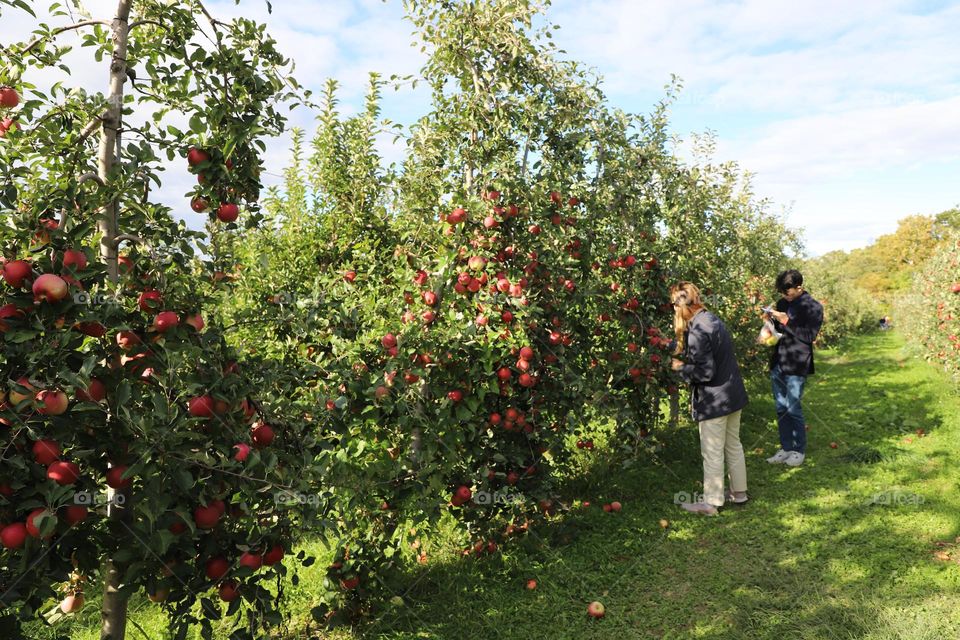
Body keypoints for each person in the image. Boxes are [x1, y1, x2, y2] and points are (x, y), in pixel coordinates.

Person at [669, 282, 749, 516]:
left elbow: (704, 372)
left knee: (712, 450)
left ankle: (711, 504)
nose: (673, 309)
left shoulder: (697, 330)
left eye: (674, 304)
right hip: (733, 394)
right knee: (733, 445)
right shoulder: (712, 319)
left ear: (682, 304)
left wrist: (680, 367)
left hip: (715, 399)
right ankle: (739, 493)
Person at [763, 270, 824, 467]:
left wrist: (786, 321)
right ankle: (786, 447)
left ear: (799, 287)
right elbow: (779, 331)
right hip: (779, 360)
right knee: (781, 408)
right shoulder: (782, 304)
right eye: (781, 293)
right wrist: (769, 324)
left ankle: (799, 450)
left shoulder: (813, 307)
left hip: (797, 363)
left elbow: (808, 336)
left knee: (793, 407)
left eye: (787, 293)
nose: (784, 296)